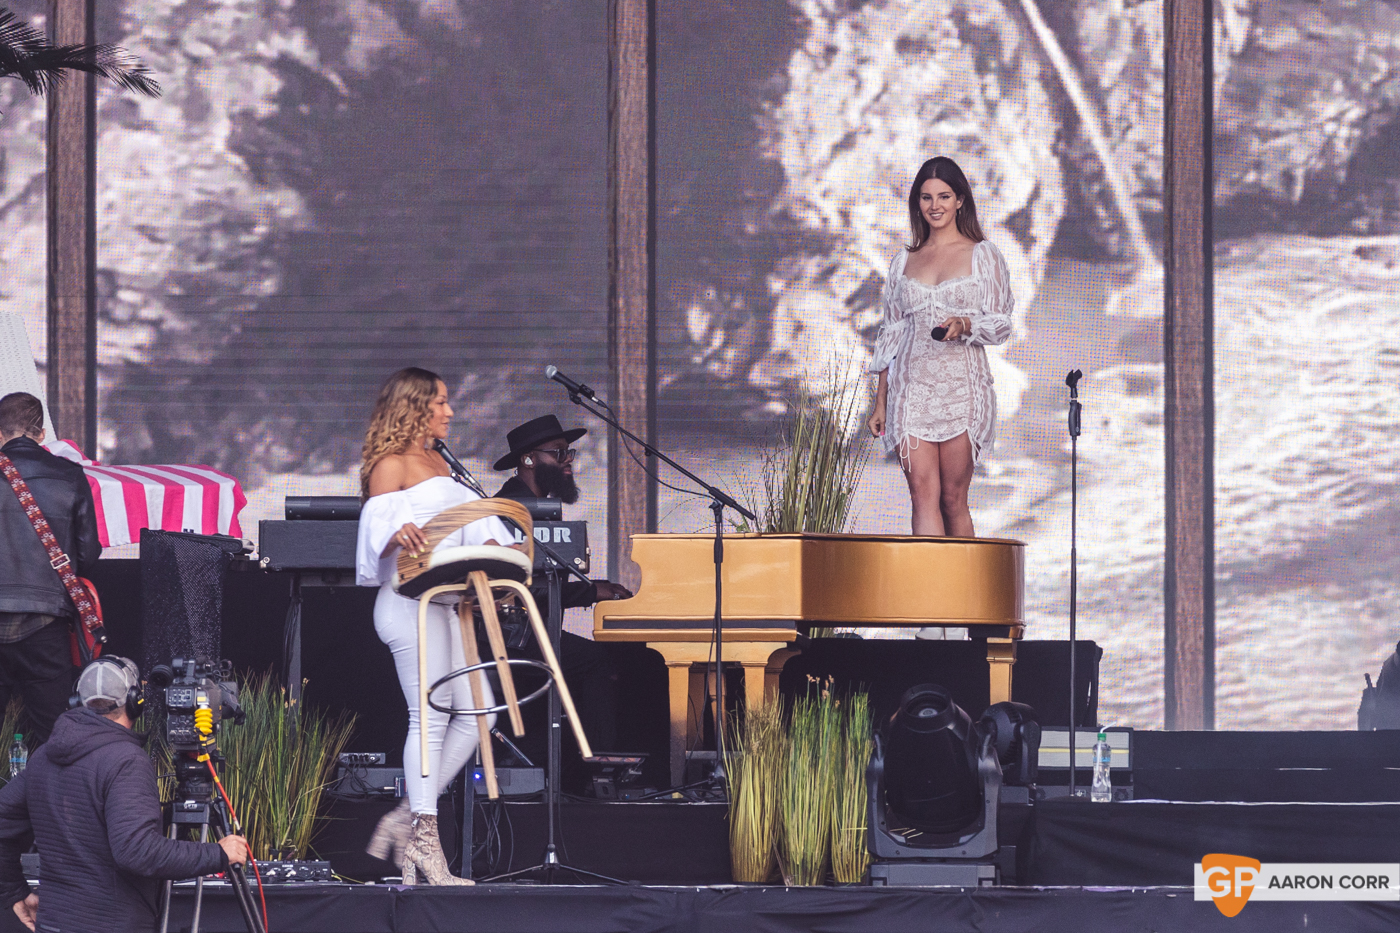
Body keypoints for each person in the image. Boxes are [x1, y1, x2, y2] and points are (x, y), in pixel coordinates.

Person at [355, 367, 511, 884]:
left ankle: (406, 819)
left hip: (448, 607)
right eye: (440, 402)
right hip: (408, 606)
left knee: (482, 715)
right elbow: (378, 525)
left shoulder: (443, 463)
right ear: (415, 406)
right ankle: (426, 842)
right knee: (430, 719)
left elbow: (475, 523)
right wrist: (396, 530)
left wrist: (493, 547)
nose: (449, 411)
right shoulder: (392, 463)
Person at [0, 656, 249, 933]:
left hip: (54, 924)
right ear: (135, 702)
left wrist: (13, 891)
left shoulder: (43, 756)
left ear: (76, 700)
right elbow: (137, 851)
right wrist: (219, 854)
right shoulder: (126, 760)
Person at [866, 156, 1014, 538]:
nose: (935, 206)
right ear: (917, 203)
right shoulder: (903, 261)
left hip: (962, 391)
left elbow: (1001, 325)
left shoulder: (983, 255)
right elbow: (891, 334)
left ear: (960, 200)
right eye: (926, 197)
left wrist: (966, 324)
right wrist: (880, 400)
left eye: (944, 196)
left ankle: (964, 594)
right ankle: (930, 593)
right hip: (911, 392)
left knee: (952, 498)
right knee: (922, 496)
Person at [492, 416, 632, 774]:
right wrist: (589, 591)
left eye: (569, 453)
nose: (568, 460)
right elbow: (515, 589)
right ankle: (601, 769)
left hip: (530, 633)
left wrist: (590, 590)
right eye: (558, 453)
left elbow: (541, 579)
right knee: (596, 662)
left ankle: (551, 762)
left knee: (586, 661)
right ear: (528, 459)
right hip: (511, 637)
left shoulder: (538, 509)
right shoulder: (511, 509)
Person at [0, 392, 101, 746]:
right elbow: (88, 555)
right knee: (52, 737)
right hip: (45, 625)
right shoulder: (69, 475)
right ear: (42, 434)